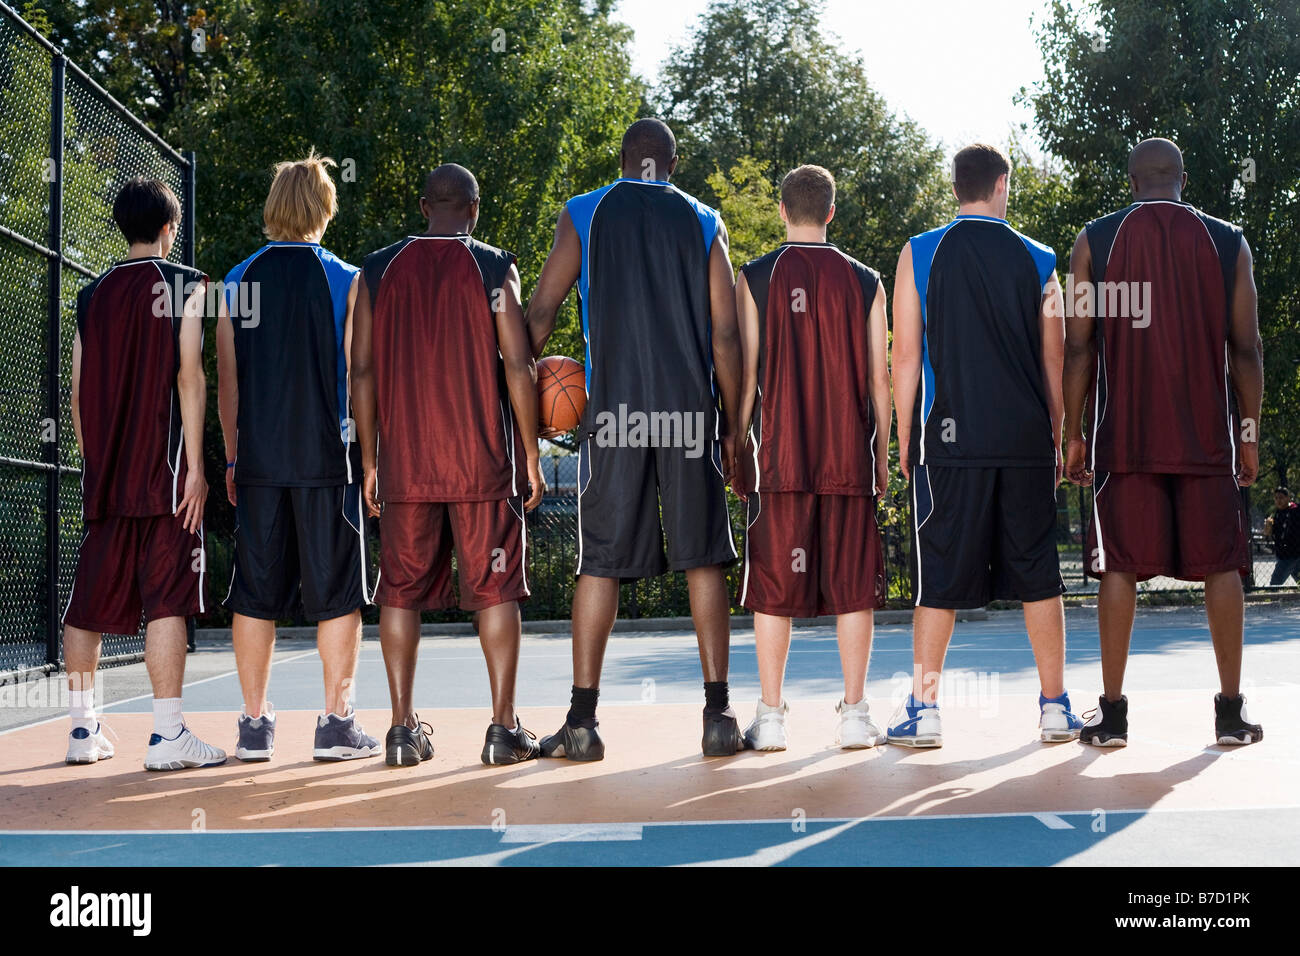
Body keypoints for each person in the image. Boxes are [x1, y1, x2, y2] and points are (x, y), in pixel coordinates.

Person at [525, 118, 745, 759]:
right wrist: (733, 427)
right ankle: (717, 716)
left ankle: (583, 723)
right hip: (687, 414)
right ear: (671, 165)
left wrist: (514, 403)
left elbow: (540, 313)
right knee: (703, 556)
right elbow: (726, 335)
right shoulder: (705, 221)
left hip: (614, 413)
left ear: (623, 160)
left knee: (599, 562)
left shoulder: (586, 213)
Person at [1064, 138, 1265, 746]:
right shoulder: (1229, 241)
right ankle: (1230, 713)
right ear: (1182, 177)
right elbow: (1247, 349)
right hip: (1207, 440)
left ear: (1131, 181)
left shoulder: (1093, 242)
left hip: (1124, 441)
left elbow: (1079, 346)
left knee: (1119, 566)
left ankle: (1114, 716)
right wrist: (1248, 435)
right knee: (1223, 565)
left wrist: (1071, 434)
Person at [351, 164, 546, 767]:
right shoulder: (493, 268)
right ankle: (501, 729)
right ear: (475, 208)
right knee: (495, 591)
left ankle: (402, 730)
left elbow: (361, 373)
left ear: (422, 206)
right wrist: (532, 451)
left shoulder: (378, 271)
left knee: (399, 593)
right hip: (481, 460)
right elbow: (518, 365)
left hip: (406, 462)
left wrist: (369, 459)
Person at [890, 143, 1080, 748]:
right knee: (1039, 575)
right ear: (1001, 185)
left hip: (949, 440)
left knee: (938, 578)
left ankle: (924, 711)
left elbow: (905, 355)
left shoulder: (919, 253)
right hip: (1024, 440)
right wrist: (1057, 433)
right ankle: (1054, 708)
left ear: (956, 188)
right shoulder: (1040, 259)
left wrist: (903, 433)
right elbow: (1057, 358)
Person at [216, 151, 378, 762]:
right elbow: (359, 375)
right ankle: (337, 724)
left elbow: (227, 382)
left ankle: (254, 727)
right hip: (327, 462)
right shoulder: (348, 279)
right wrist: (370, 461)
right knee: (338, 594)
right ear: (323, 207)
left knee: (254, 593)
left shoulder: (234, 282)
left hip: (258, 462)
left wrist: (233, 459)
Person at [63, 177, 224, 770]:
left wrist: (95, 463)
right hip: (165, 478)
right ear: (168, 229)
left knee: (87, 607)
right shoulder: (185, 284)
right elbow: (189, 375)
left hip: (106, 478)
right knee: (168, 602)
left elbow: (79, 394)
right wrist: (197, 469)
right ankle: (167, 736)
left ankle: (83, 733)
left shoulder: (91, 295)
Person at [733, 165, 891, 751]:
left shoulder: (754, 278)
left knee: (774, 587)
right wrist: (880, 453)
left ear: (781, 211)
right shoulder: (867, 281)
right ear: (831, 212)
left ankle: (770, 718)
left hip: (781, 458)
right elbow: (879, 379)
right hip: (847, 453)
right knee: (853, 587)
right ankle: (854, 716)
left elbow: (746, 377)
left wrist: (739, 440)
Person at [1264, 488, 1299, 585]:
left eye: (1281, 497)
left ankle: (1271, 596)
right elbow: (1268, 533)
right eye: (1276, 498)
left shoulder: (1295, 510)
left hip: (1290, 553)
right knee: (1297, 574)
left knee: (1275, 582)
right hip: (1284, 552)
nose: (1278, 500)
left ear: (1288, 498)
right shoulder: (1276, 514)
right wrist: (1268, 526)